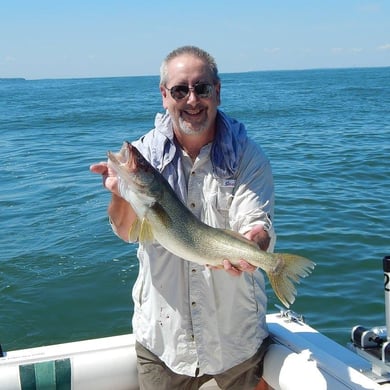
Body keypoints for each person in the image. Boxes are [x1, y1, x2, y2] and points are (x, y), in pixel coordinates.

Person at [90, 46, 276, 390]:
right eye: (179, 90)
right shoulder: (144, 153)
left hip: (237, 342)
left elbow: (256, 221)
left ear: (217, 92)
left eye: (201, 88)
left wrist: (255, 246)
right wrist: (119, 193)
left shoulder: (249, 156)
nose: (192, 100)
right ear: (164, 96)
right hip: (163, 344)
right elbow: (128, 231)